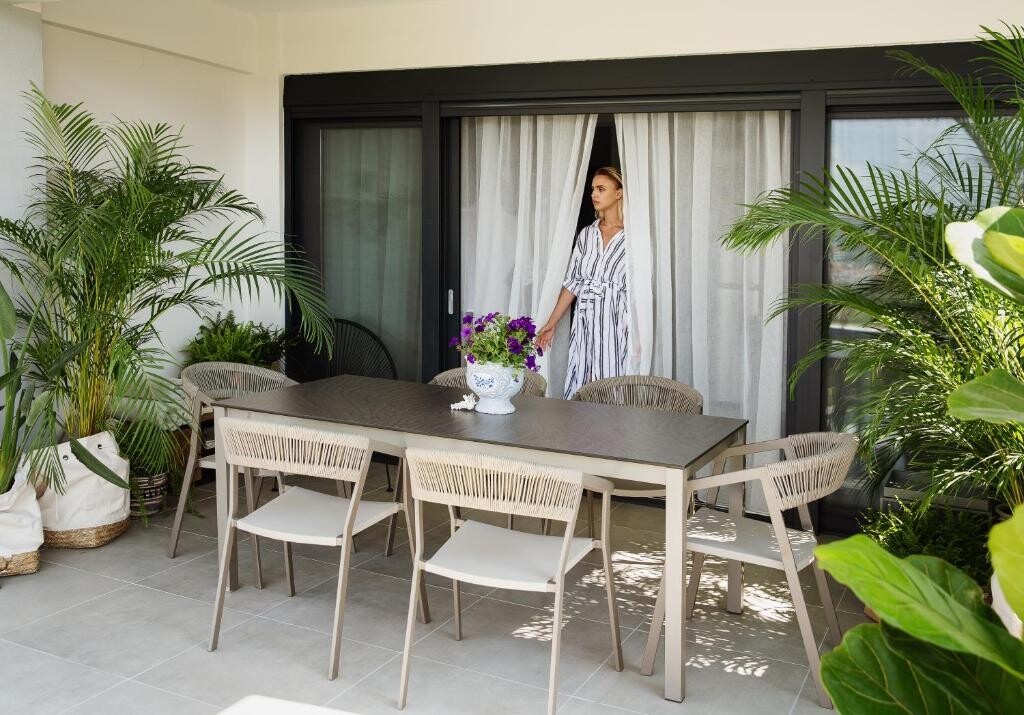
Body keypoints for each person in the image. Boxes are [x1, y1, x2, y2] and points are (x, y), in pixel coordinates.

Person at [537, 167, 629, 400]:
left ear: (618, 193)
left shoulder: (633, 236)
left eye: (601, 189)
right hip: (585, 320)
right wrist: (551, 323)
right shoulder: (587, 234)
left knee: (614, 385)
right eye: (592, 189)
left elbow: (641, 290)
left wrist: (640, 335)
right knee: (582, 381)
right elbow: (573, 283)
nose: (594, 194)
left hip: (618, 322)